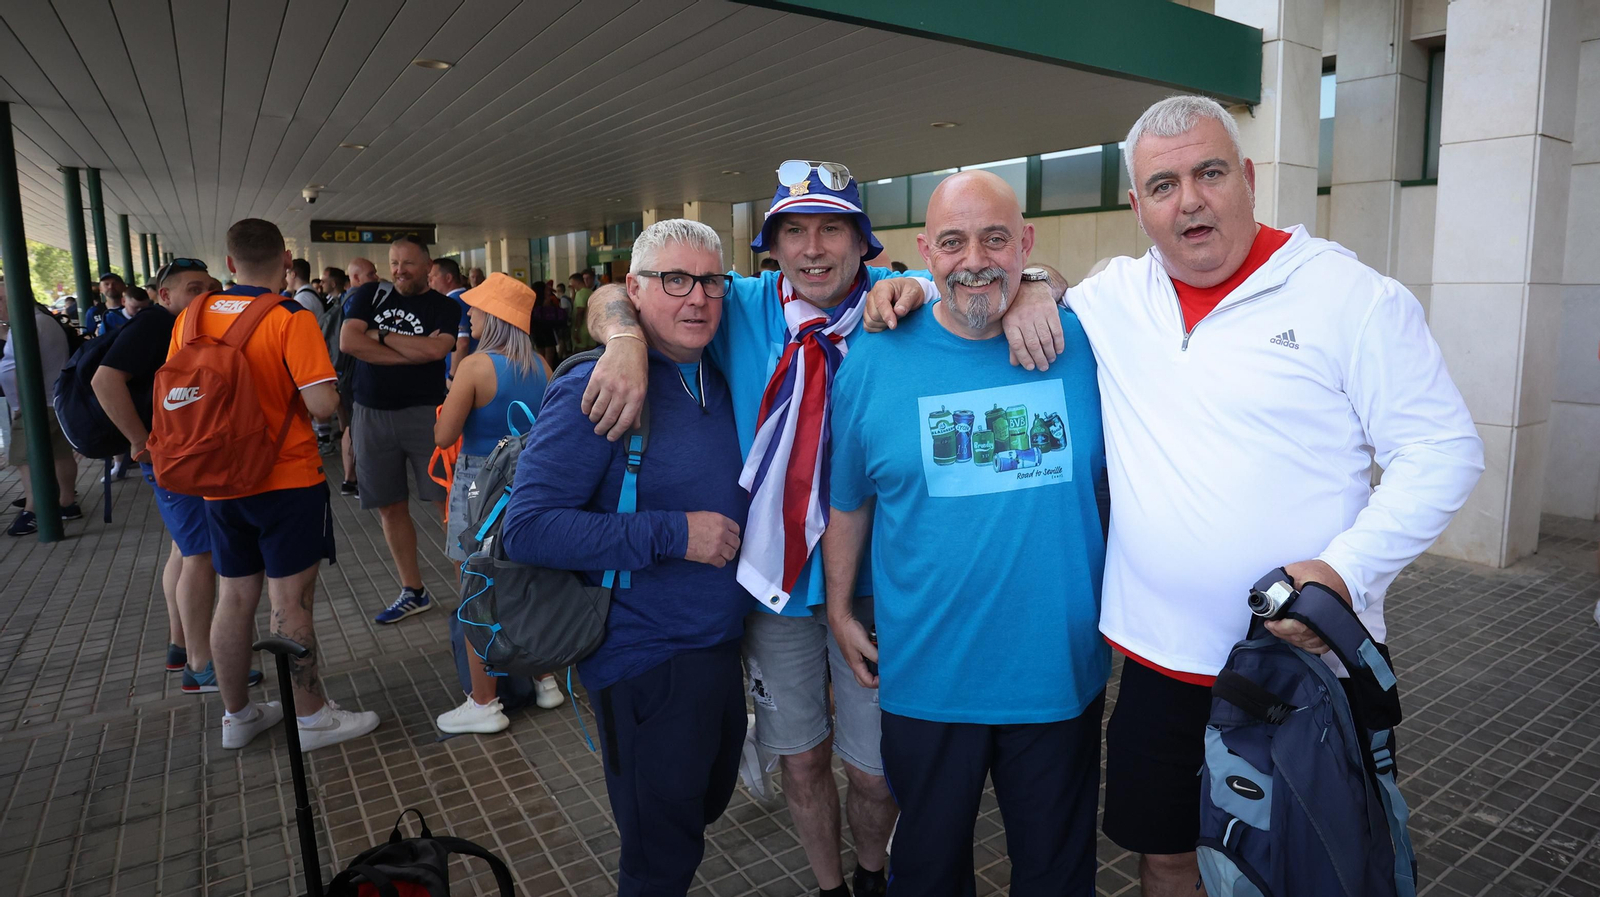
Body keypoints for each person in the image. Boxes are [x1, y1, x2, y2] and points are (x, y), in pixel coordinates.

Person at [868, 95, 1486, 897]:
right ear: (1137, 206)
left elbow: (1444, 449)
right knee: (1165, 859)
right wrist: (943, 285)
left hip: (1301, 667)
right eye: (1163, 185)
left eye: (1209, 173)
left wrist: (1346, 568)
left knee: (1306, 868)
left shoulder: (1348, 297)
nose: (1188, 199)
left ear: (1249, 179)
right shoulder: (1112, 300)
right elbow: (980, 278)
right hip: (1157, 666)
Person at [583, 161, 986, 897]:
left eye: (832, 227)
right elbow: (621, 289)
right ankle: (830, 886)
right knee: (801, 758)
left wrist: (1027, 294)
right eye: (793, 231)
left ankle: (872, 873)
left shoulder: (904, 309)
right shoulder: (740, 304)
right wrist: (623, 338)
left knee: (872, 767)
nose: (812, 248)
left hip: (878, 585)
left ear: (864, 242)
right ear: (771, 246)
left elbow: (1009, 281)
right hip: (773, 582)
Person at [825, 171, 1108, 896]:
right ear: (925, 251)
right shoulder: (877, 355)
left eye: (995, 238)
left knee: (1056, 876)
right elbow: (850, 499)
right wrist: (836, 608)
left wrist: (1043, 287)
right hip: (927, 677)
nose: (974, 258)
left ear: (1028, 244)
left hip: (1055, 674)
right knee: (926, 873)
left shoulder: (1089, 344)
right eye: (952, 242)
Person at [501, 221, 748, 896]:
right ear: (635, 290)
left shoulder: (717, 371)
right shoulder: (601, 385)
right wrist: (673, 532)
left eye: (709, 281)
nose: (695, 298)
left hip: (718, 650)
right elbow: (527, 529)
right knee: (658, 858)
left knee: (696, 813)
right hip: (645, 659)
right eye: (674, 280)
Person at [165, 218, 378, 751]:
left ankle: (236, 717)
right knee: (291, 600)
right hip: (286, 480)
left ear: (229, 263)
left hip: (218, 481)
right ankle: (310, 717)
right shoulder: (288, 317)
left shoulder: (193, 315)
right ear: (286, 259)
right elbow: (323, 405)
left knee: (234, 596)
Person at [92, 258, 266, 690]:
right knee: (201, 557)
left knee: (183, 550)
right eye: (193, 288)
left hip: (179, 456)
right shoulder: (156, 325)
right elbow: (104, 381)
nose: (205, 294)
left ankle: (180, 646)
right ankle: (201, 664)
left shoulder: (182, 324)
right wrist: (139, 442)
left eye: (210, 286)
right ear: (164, 295)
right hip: (171, 458)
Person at [431, 273, 562, 734]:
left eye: (478, 309)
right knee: (523, 582)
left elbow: (445, 435)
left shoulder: (474, 367)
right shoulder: (543, 368)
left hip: (477, 486)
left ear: (497, 317)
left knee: (477, 592)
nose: (470, 314)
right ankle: (546, 680)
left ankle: (484, 702)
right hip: (527, 484)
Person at [338, 236, 459, 624]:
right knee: (390, 506)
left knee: (448, 502)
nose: (399, 270)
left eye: (408, 262)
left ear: (428, 267)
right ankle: (413, 590)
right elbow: (349, 342)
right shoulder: (369, 295)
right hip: (371, 414)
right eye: (393, 262)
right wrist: (409, 351)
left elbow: (437, 351)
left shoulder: (443, 306)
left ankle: (469, 588)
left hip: (427, 414)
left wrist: (383, 336)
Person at [0, 279, 83, 536]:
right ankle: (66, 502)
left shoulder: (28, 325)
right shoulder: (42, 320)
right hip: (52, 400)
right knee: (59, 454)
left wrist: (18, 405)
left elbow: (17, 367)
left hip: (33, 405)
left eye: (1, 301)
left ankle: (35, 510)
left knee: (26, 459)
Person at [335, 258, 380, 496]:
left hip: (346, 374)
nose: (376, 277)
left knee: (352, 428)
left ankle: (350, 480)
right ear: (356, 278)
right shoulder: (358, 302)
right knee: (360, 428)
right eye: (370, 274)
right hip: (356, 374)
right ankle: (359, 480)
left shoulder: (346, 300)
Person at [430, 257, 473, 378]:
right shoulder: (468, 297)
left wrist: (453, 376)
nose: (429, 281)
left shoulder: (454, 303)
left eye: (433, 276)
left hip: (458, 375)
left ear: (448, 278)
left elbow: (462, 342)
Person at [94, 273, 131, 337]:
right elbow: (87, 334)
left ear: (124, 287)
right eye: (106, 284)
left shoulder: (132, 309)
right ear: (100, 289)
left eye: (115, 284)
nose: (111, 286)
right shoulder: (93, 311)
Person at [570, 271, 593, 350]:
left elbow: (580, 311)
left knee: (580, 354)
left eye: (572, 283)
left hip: (581, 330)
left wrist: (576, 329)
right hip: (591, 329)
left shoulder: (580, 294)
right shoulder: (591, 292)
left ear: (577, 282)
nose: (571, 286)